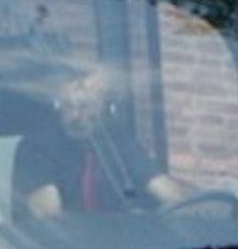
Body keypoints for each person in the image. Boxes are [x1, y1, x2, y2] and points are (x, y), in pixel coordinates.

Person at [13, 58, 188, 219]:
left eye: (86, 106)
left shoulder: (115, 138)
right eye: (68, 106)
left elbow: (163, 188)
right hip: (69, 248)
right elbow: (51, 220)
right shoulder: (37, 147)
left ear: (105, 107)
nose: (76, 116)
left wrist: (190, 212)